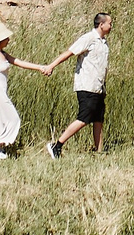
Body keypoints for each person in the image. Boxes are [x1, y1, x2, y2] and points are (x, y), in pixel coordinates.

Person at [43, 12, 113, 158]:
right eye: (109, 23)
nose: (111, 26)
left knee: (98, 119)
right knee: (84, 118)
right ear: (101, 24)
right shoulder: (88, 38)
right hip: (87, 85)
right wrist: (52, 65)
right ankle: (57, 145)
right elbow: (69, 52)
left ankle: (99, 152)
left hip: (99, 86)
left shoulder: (103, 42)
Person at [0, 23, 48, 160]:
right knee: (13, 118)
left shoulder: (3, 54)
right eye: (6, 37)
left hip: (1, 90)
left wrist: (40, 67)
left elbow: (19, 62)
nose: (8, 39)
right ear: (0, 39)